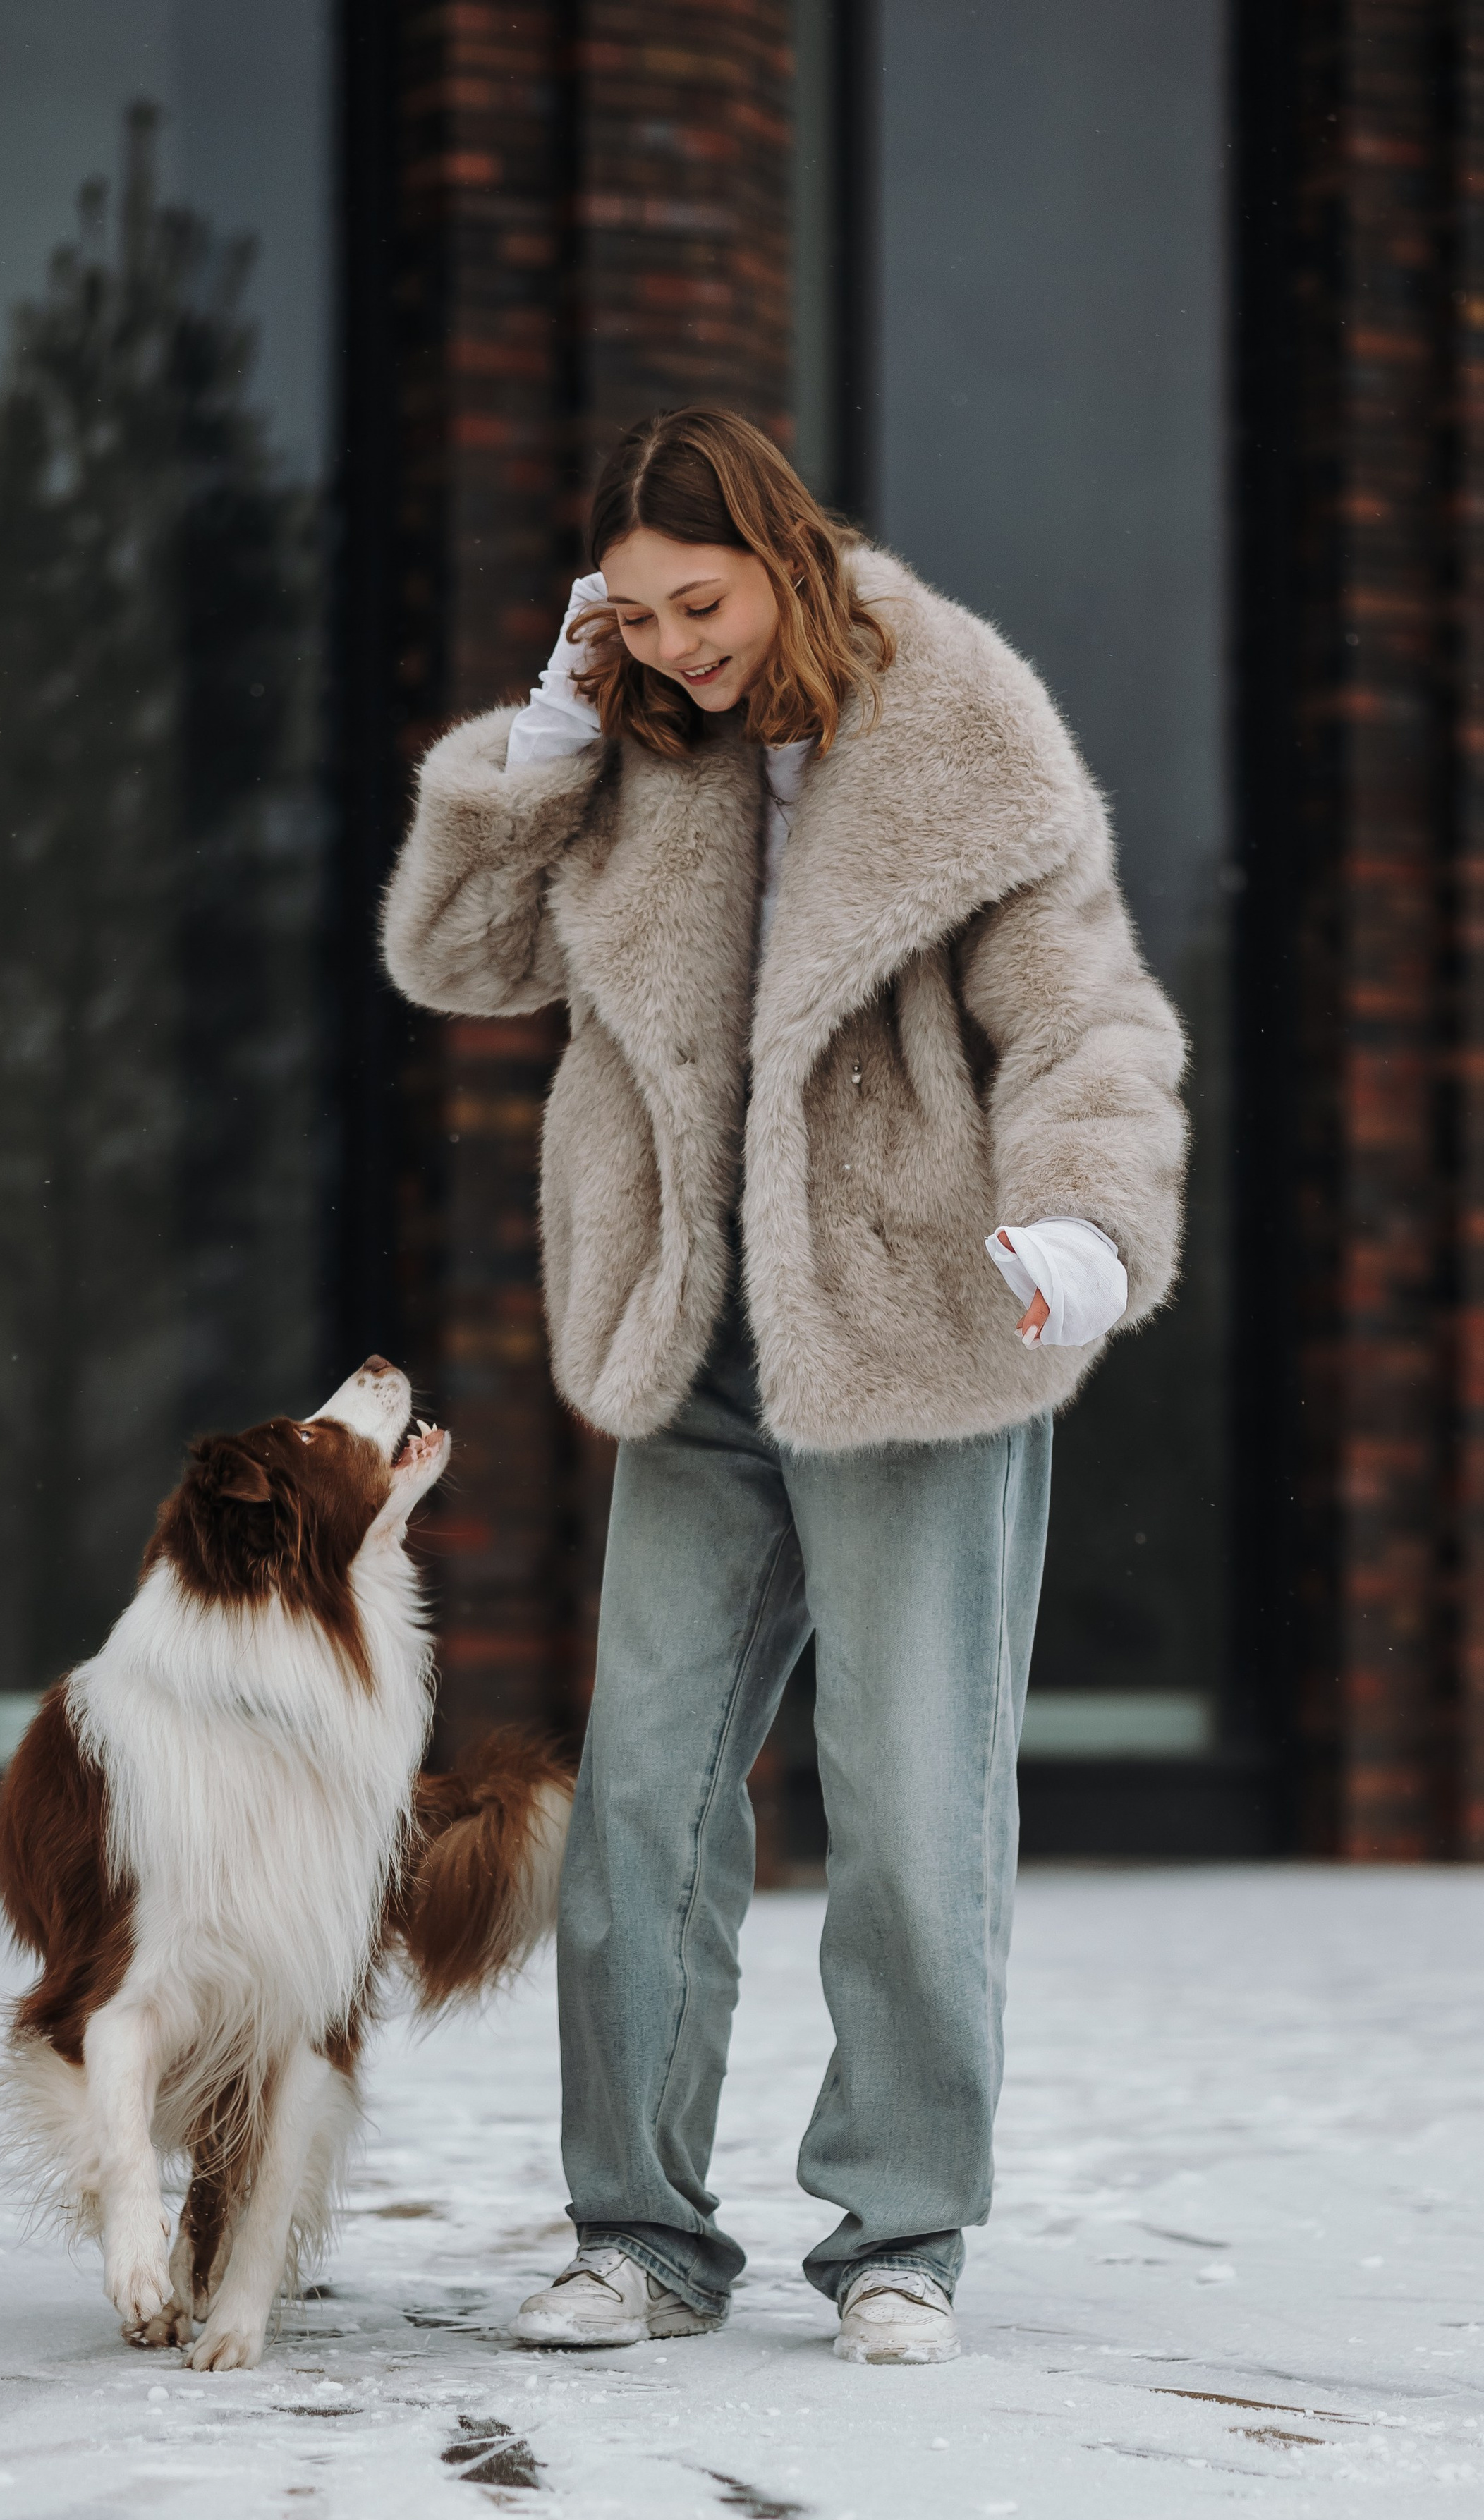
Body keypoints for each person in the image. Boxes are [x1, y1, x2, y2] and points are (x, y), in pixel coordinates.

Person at [381, 406, 1186, 2366]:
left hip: (925, 1334)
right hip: (702, 1353)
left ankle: (902, 2232)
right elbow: (456, 957)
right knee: (644, 1793)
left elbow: (1086, 1010)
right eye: (633, 613)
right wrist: (544, 756)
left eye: (701, 600)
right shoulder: (632, 754)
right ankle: (635, 2231)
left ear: (785, 554)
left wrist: (1085, 1219)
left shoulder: (958, 724)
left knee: (913, 1804)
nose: (674, 645)